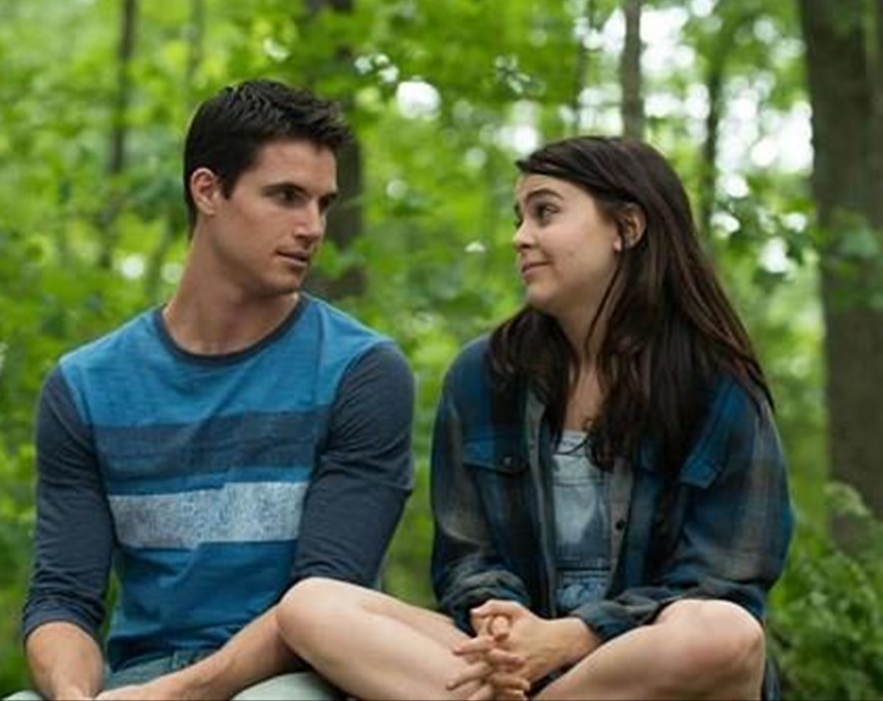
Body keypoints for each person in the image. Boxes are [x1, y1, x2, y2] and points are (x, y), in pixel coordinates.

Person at [276, 135, 793, 700]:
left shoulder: (718, 387)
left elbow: (724, 580)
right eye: (519, 217)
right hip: (513, 667)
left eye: (545, 212)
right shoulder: (483, 376)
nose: (520, 237)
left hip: (642, 674)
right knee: (312, 605)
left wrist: (573, 636)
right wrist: (503, 628)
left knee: (726, 632)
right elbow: (466, 558)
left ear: (627, 228)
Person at [16, 79, 414, 700]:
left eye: (323, 203)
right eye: (286, 196)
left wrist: (177, 694)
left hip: (297, 677)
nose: (312, 227)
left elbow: (327, 598)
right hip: (139, 680)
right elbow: (62, 598)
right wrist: (75, 694)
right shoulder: (85, 386)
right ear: (207, 191)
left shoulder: (361, 372)